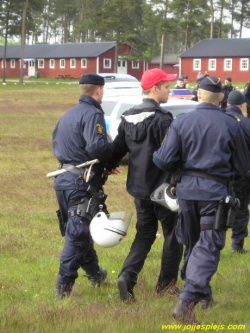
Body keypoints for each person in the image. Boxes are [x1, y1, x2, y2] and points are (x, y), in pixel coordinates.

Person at [153, 76, 250, 323]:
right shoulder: (232, 124)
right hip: (215, 193)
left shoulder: (182, 121)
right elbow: (242, 165)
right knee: (207, 244)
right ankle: (187, 301)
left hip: (186, 193)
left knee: (194, 242)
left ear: (198, 95)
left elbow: (163, 160)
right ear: (221, 99)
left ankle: (203, 295)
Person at [109, 68, 183, 302]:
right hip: (164, 190)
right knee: (173, 235)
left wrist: (107, 164)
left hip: (139, 189)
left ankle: (127, 276)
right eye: (166, 86)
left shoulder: (128, 116)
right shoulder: (163, 119)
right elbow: (172, 155)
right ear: (154, 89)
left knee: (145, 234)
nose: (169, 90)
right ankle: (166, 285)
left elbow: (118, 150)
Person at [52, 73, 115, 298]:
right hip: (81, 183)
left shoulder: (67, 115)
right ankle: (63, 289)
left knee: (82, 230)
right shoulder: (94, 113)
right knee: (77, 234)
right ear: (98, 90)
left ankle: (96, 274)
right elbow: (98, 148)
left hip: (63, 181)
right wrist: (112, 155)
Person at [226, 90, 250, 253]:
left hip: (218, 174)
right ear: (242, 105)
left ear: (227, 104)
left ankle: (211, 243)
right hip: (242, 174)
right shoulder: (247, 123)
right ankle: (237, 245)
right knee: (240, 208)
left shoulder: (219, 121)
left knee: (214, 208)